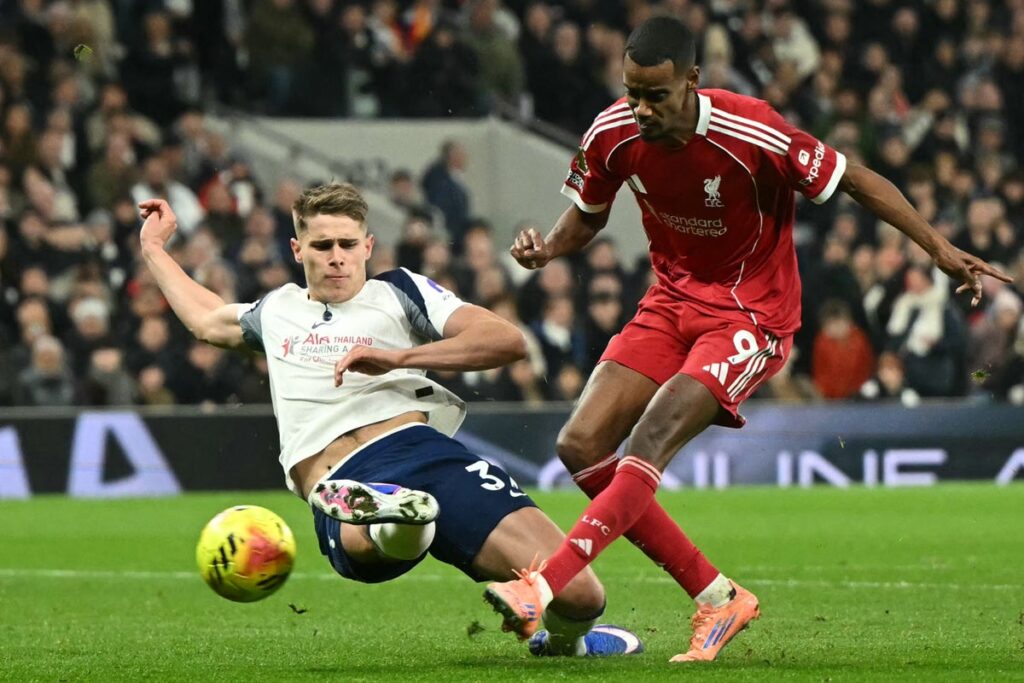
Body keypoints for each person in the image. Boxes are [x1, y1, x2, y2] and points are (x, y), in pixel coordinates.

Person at [484, 17, 1012, 663]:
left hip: (750, 316)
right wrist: (547, 248)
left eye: (656, 95)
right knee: (581, 443)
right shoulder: (612, 131)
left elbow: (856, 179)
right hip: (670, 300)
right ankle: (718, 594)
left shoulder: (752, 129)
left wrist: (939, 248)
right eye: (632, 93)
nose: (642, 109)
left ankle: (543, 584)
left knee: (649, 439)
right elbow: (587, 215)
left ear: (692, 80)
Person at [138, 182, 642, 658]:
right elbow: (206, 319)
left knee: (581, 594)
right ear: (297, 250)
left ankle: (561, 643)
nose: (336, 256)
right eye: (322, 245)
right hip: (340, 473)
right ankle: (400, 515)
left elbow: (506, 340)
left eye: (347, 243)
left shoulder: (398, 292)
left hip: (428, 453)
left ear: (367, 246)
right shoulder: (275, 310)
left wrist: (395, 359)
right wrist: (155, 249)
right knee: (375, 540)